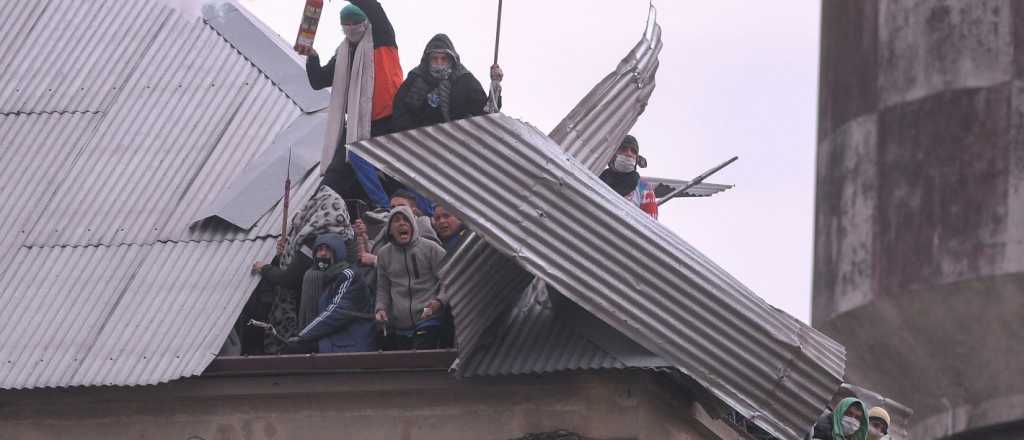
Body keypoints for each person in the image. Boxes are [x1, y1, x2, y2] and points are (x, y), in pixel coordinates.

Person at [307, 1, 405, 210]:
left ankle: (391, 212)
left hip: (389, 121)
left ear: (366, 21)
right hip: (357, 126)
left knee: (392, 175)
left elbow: (373, 6)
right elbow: (319, 80)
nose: (351, 27)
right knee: (338, 173)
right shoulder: (344, 53)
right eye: (346, 24)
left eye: (355, 22)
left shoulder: (382, 36)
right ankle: (315, 212)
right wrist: (312, 58)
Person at [287, 232, 377, 353]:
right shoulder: (323, 278)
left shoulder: (349, 276)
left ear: (338, 253)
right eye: (319, 249)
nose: (323, 253)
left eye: (328, 249)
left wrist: (302, 336)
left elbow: (335, 312)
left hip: (352, 342)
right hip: (336, 340)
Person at [392, 33, 502, 132]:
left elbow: (486, 113)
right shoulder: (416, 79)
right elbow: (400, 113)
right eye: (435, 58)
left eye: (443, 59)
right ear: (428, 60)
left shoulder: (464, 80)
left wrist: (495, 85)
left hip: (459, 143)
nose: (439, 63)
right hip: (420, 145)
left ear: (451, 59)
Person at [373, 205, 448, 350]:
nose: (402, 223)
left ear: (413, 225)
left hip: (429, 320)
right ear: (389, 229)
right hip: (399, 326)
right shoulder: (383, 254)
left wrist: (439, 301)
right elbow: (383, 288)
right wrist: (380, 309)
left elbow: (449, 280)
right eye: (397, 220)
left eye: (406, 220)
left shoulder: (432, 249)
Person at [599, 135, 658, 219]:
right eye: (623, 149)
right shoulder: (599, 177)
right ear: (613, 153)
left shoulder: (644, 189)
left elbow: (651, 224)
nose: (629, 153)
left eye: (633, 151)